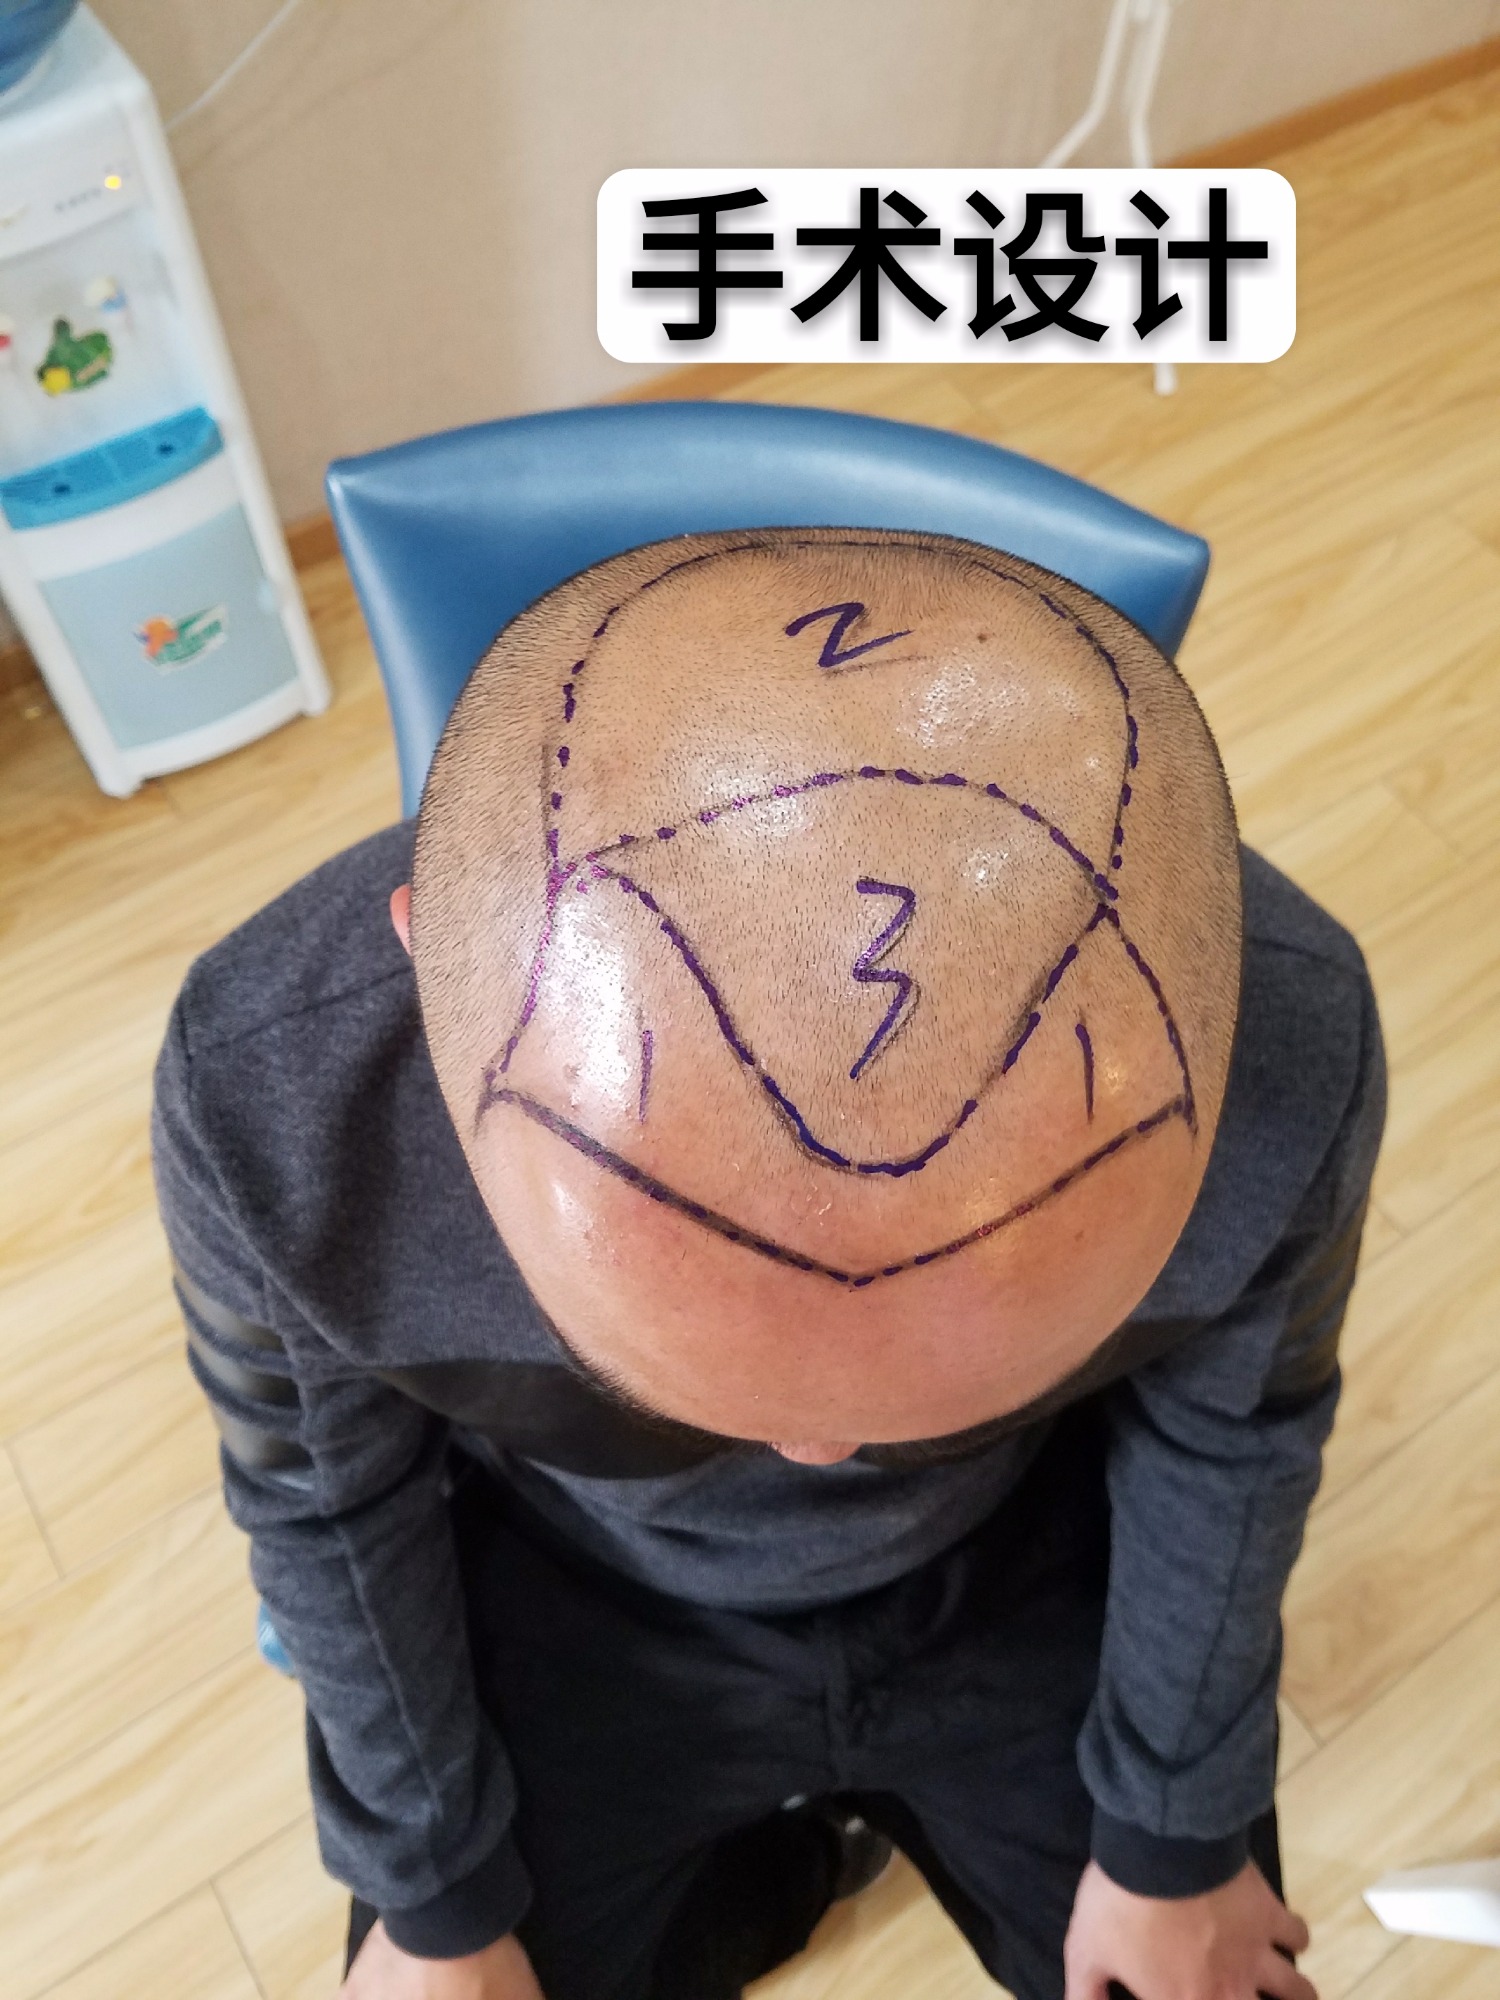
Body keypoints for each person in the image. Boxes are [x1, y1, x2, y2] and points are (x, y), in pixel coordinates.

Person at [152, 528, 1383, 2000]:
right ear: (431, 978)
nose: (820, 1455)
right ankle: (798, 1868)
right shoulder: (273, 1108)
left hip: (1024, 1553)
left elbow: (1234, 1439)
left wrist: (1174, 1839)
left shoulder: (1284, 1057)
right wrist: (431, 1901)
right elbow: (325, 1502)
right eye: (708, 1380)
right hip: (581, 1589)